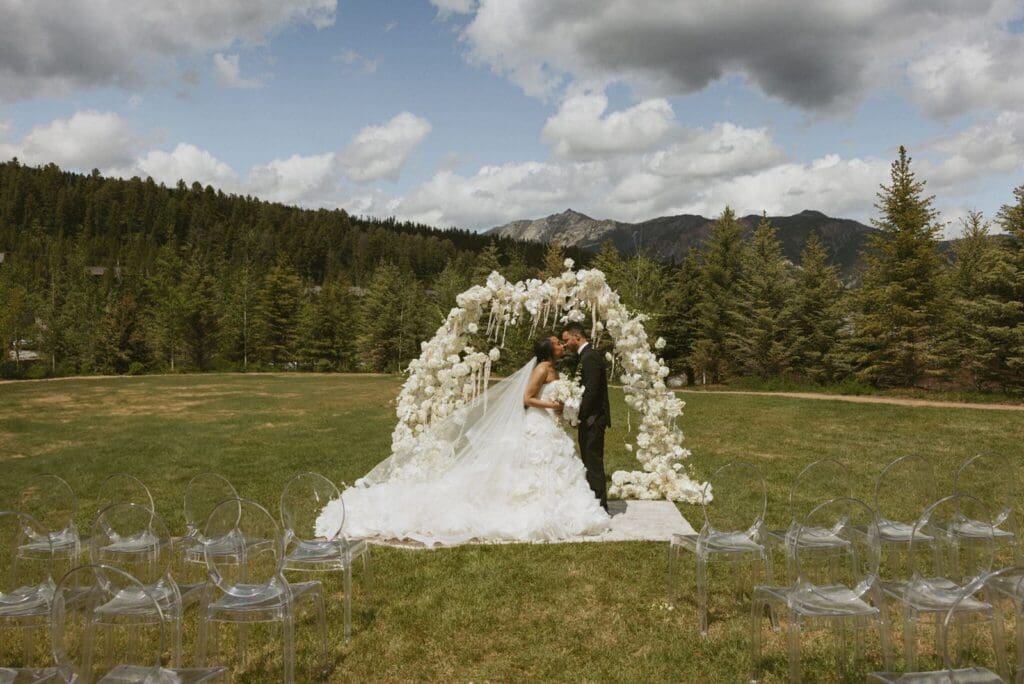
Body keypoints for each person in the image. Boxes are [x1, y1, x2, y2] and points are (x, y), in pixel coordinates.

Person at [315, 335, 609, 546]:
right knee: (533, 469)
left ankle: (556, 508)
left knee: (550, 469)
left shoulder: (554, 370)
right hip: (538, 424)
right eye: (558, 342)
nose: (562, 344)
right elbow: (527, 398)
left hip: (549, 428)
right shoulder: (542, 369)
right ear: (549, 349)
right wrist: (553, 406)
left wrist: (562, 406)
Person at [560, 322, 610, 512]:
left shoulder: (590, 357)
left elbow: (591, 392)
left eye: (566, 340)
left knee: (593, 461)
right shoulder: (586, 356)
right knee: (589, 460)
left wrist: (578, 415)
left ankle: (600, 506)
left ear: (577, 337)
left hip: (593, 419)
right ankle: (595, 502)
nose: (565, 345)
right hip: (590, 418)